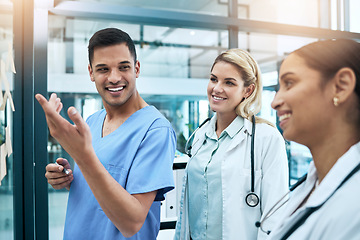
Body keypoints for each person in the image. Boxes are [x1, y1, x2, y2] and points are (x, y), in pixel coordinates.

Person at [36, 28, 176, 239]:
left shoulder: (155, 130)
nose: (114, 77)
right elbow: (97, 187)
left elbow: (132, 223)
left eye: (123, 67)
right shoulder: (91, 122)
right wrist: (66, 178)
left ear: (136, 68)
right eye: (103, 69)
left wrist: (83, 156)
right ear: (91, 73)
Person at [174, 48, 289, 240]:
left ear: (248, 90)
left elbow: (274, 216)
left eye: (229, 82)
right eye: (213, 79)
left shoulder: (266, 138)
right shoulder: (200, 135)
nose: (217, 88)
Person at [267, 39, 360, 240]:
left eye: (289, 83)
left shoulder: (355, 203)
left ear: (341, 86)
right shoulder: (314, 180)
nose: (275, 102)